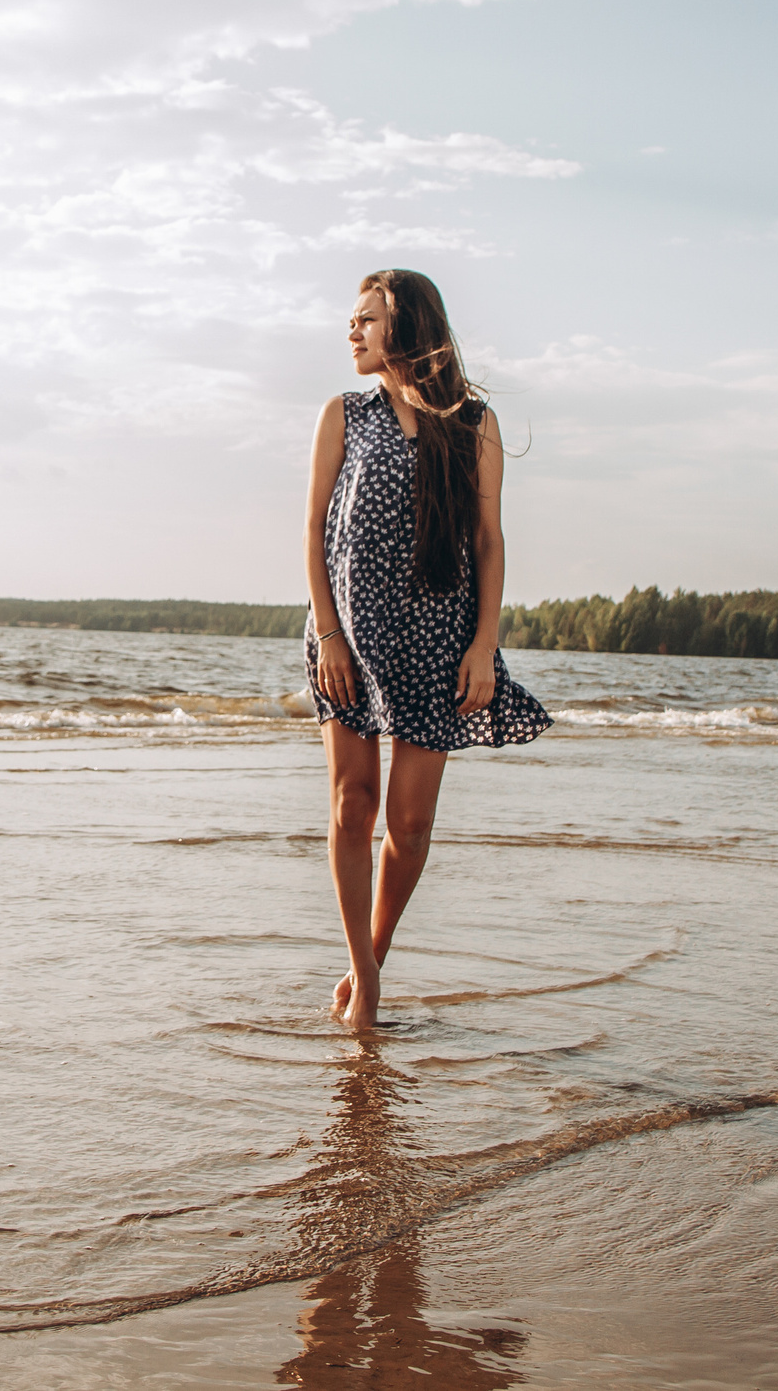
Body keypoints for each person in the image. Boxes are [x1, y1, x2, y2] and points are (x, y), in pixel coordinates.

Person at [304, 269, 552, 1034]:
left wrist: (485, 646)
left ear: (407, 325)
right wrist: (330, 632)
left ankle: (365, 960)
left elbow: (488, 540)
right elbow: (312, 531)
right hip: (350, 632)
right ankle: (370, 991)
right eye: (352, 319)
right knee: (354, 805)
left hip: (440, 639)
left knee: (409, 825)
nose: (352, 331)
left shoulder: (474, 423)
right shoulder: (343, 414)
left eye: (367, 319)